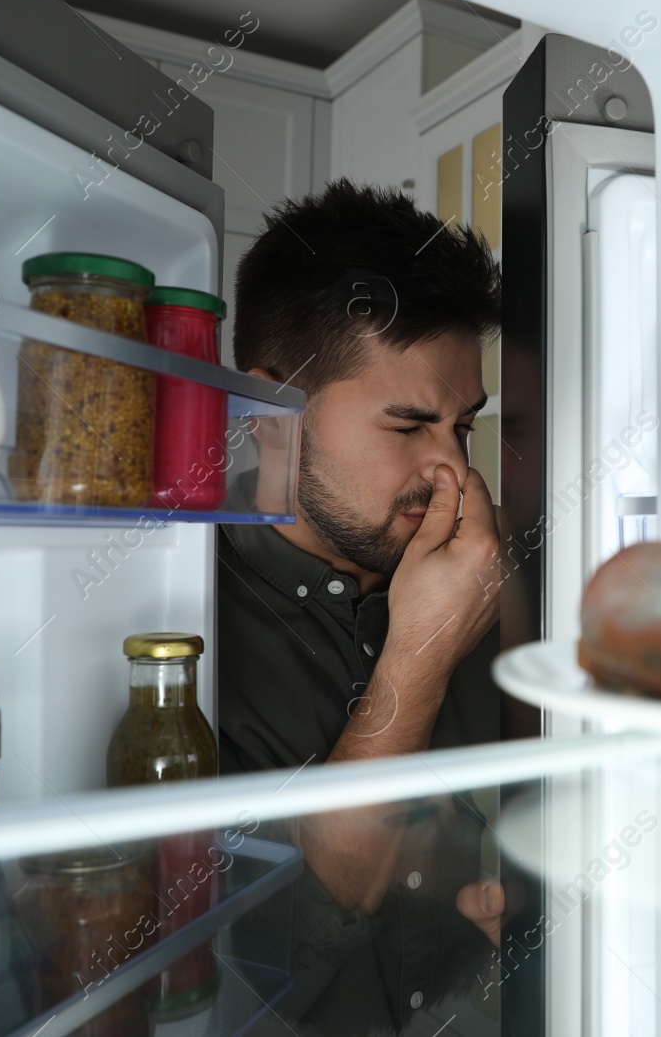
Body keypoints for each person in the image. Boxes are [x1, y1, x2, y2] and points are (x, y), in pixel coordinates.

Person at [217, 180, 512, 1034]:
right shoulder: (180, 616)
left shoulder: (492, 575)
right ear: (269, 412)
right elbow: (276, 953)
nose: (450, 470)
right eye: (408, 425)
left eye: (464, 427)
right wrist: (419, 657)